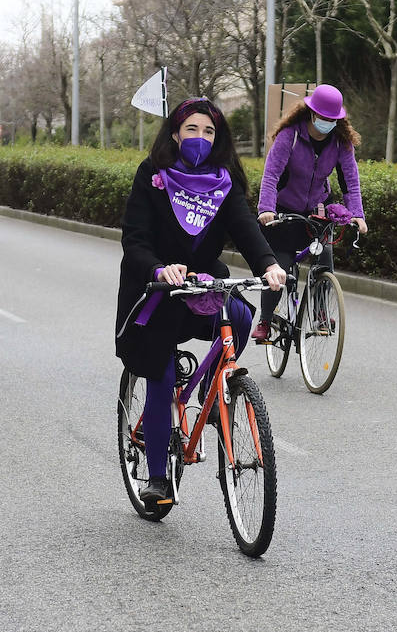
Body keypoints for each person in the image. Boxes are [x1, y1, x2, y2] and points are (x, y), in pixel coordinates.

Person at [114, 97, 286, 507]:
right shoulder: (152, 174)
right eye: (191, 129)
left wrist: (269, 265)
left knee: (241, 317)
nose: (200, 138)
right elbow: (133, 239)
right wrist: (159, 269)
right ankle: (157, 478)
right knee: (161, 372)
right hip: (157, 291)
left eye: (208, 131)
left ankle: (213, 391)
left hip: (202, 285)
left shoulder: (223, 180)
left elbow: (245, 227)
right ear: (175, 133)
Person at [251, 84, 368, 342]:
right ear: (312, 113)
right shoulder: (290, 136)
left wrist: (357, 214)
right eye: (323, 117)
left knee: (324, 257)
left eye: (332, 119)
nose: (327, 122)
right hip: (282, 213)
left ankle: (321, 314)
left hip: (316, 211)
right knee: (278, 270)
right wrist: (267, 209)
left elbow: (350, 181)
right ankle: (265, 319)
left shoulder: (340, 143)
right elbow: (271, 175)